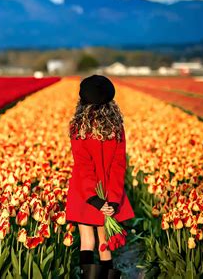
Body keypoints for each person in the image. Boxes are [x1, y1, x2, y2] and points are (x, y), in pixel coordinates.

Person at [65, 75, 135, 279]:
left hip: (84, 192)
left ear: (82, 101)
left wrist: (93, 198)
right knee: (105, 244)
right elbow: (119, 165)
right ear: (110, 102)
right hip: (109, 191)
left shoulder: (78, 129)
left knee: (87, 242)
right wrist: (112, 199)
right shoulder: (116, 129)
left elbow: (83, 166)